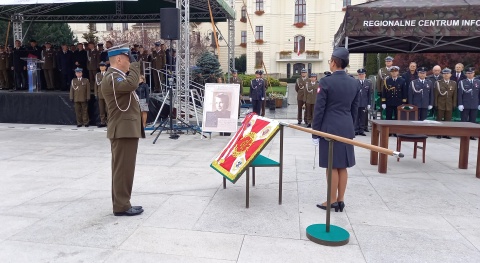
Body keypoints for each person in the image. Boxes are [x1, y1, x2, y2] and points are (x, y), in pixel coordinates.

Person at [312, 47, 359, 212]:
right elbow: (354, 109)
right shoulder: (354, 82)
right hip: (346, 127)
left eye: (330, 61)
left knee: (332, 166)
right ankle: (340, 200)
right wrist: (350, 126)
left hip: (329, 128)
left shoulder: (326, 82)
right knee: (343, 166)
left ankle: (331, 200)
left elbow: (319, 110)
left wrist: (315, 132)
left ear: (334, 62)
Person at [101, 46, 144, 216]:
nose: (130, 62)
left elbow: (131, 85)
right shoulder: (112, 77)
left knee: (124, 169)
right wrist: (135, 67)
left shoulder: (117, 77)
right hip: (122, 130)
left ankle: (123, 202)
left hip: (125, 129)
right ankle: (121, 205)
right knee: (123, 169)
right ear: (119, 59)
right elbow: (132, 84)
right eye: (128, 59)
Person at [458, 67, 480, 140]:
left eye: (471, 73)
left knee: (473, 120)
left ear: (474, 73)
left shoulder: (478, 82)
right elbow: (460, 94)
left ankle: (471, 135)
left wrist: (479, 104)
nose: (470, 74)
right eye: (468, 73)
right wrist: (460, 104)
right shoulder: (462, 82)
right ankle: (463, 134)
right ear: (466, 74)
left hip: (474, 104)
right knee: (463, 120)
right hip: (465, 104)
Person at [434, 68, 457, 139]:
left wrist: (454, 104)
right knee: (439, 120)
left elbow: (455, 95)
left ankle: (446, 134)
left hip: (449, 104)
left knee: (448, 120)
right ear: (442, 75)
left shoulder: (453, 83)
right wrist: (435, 104)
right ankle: (438, 133)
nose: (446, 75)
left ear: (450, 74)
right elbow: (436, 95)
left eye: (447, 73)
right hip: (440, 104)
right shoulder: (438, 82)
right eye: (444, 73)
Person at [355, 68, 371, 135]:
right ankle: (356, 129)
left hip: (364, 102)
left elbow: (369, 94)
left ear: (365, 75)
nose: (361, 75)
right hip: (356, 103)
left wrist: (369, 103)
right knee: (356, 116)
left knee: (363, 117)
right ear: (358, 75)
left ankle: (361, 130)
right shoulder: (355, 82)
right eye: (360, 74)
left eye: (362, 74)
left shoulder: (368, 83)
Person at [95, 61, 108, 128]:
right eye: (100, 66)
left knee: (107, 109)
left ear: (105, 67)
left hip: (107, 94)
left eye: (103, 66)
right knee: (101, 109)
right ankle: (103, 121)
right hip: (100, 94)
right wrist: (95, 94)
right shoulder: (98, 75)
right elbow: (96, 85)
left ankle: (108, 122)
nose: (101, 67)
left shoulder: (108, 74)